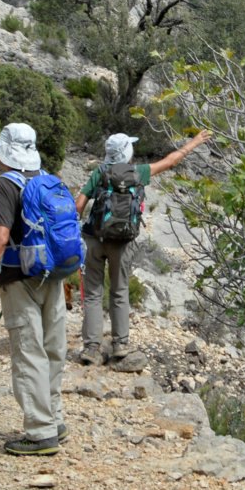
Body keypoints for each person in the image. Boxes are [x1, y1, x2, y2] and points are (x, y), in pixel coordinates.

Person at [0, 123, 68, 456]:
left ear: (3, 151)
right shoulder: (47, 178)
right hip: (55, 274)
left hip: (21, 279)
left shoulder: (4, 186)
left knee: (28, 352)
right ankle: (55, 421)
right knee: (52, 350)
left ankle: (39, 433)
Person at [76, 129, 211, 369]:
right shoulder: (138, 172)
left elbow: (79, 204)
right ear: (127, 152)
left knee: (94, 294)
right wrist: (194, 142)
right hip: (123, 242)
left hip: (94, 239)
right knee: (119, 291)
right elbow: (170, 161)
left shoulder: (100, 172)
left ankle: (92, 348)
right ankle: (120, 345)